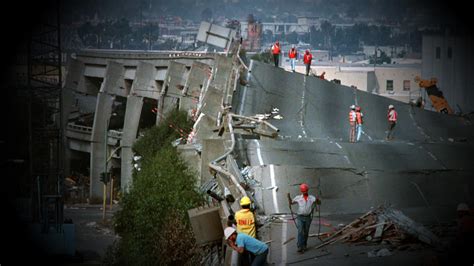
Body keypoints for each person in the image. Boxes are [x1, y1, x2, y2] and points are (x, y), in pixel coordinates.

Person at [288, 183, 320, 253]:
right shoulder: (298, 198)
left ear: (307, 190)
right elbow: (291, 203)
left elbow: (319, 203)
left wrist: (317, 200)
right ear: (301, 191)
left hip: (308, 217)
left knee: (306, 232)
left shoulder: (312, 198)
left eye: (305, 191)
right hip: (300, 217)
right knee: (300, 231)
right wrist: (289, 199)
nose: (304, 192)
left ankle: (304, 245)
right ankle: (300, 246)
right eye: (303, 191)